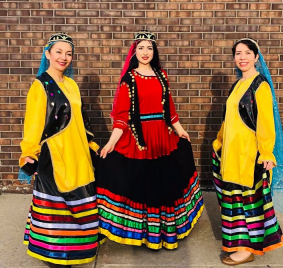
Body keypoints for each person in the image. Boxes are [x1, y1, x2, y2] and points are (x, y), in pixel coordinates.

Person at [96, 30, 204, 250]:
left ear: (154, 52)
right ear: (134, 52)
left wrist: (180, 130)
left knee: (163, 184)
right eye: (141, 48)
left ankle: (165, 233)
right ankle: (144, 233)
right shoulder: (129, 78)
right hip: (140, 138)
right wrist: (111, 142)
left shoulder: (162, 75)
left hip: (163, 137)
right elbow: (122, 116)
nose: (145, 52)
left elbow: (169, 108)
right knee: (142, 185)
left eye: (149, 48)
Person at [19, 33, 100, 268]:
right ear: (48, 54)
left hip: (78, 153)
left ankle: (75, 250)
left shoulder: (71, 84)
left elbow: (81, 119)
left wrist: (90, 144)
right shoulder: (40, 86)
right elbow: (33, 123)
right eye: (58, 52)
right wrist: (29, 154)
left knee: (78, 203)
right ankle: (55, 255)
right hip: (54, 156)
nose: (64, 57)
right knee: (57, 207)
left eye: (68, 53)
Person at [212, 38, 283, 265]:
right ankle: (241, 244)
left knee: (250, 204)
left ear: (257, 57)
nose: (242, 57)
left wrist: (267, 153)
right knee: (235, 203)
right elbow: (229, 120)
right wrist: (219, 143)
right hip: (231, 155)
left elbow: (266, 123)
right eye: (238, 53)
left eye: (248, 52)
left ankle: (248, 249)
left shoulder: (260, 85)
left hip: (250, 157)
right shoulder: (238, 85)